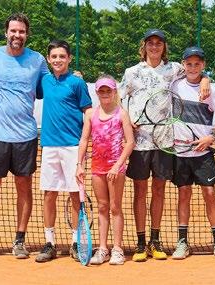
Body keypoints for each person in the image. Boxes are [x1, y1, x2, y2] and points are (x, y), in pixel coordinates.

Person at [118, 28, 210, 262]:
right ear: (145, 46)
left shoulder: (174, 70)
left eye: (159, 43)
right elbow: (119, 101)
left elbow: (196, 71)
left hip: (164, 142)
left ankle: (155, 240)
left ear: (164, 47)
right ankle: (140, 242)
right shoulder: (132, 72)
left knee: (159, 191)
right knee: (140, 191)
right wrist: (128, 121)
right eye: (151, 42)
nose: (155, 46)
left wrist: (207, 78)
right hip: (139, 144)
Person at [0, 13, 49, 261]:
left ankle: (20, 240)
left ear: (27, 34)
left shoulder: (38, 60)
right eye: (13, 31)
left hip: (25, 136)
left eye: (22, 31)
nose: (17, 35)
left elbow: (50, 86)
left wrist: (74, 77)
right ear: (6, 32)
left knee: (24, 187)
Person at [169, 47, 215, 261]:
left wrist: (211, 137)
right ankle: (182, 242)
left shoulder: (212, 92)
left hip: (203, 154)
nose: (193, 67)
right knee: (183, 195)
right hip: (180, 152)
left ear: (203, 65)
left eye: (197, 64)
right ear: (183, 64)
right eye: (189, 63)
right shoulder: (174, 85)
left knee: (210, 195)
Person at [35, 40, 92, 263]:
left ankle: (76, 242)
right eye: (54, 56)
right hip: (49, 146)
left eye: (62, 56)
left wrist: (85, 144)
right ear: (49, 60)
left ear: (69, 59)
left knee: (75, 195)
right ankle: (49, 243)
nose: (58, 60)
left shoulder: (78, 83)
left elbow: (88, 113)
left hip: (72, 147)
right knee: (49, 194)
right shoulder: (45, 81)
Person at [76, 75, 135, 265]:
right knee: (102, 207)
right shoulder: (91, 114)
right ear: (97, 92)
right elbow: (84, 140)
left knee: (115, 207)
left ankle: (117, 249)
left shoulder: (122, 113)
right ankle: (103, 249)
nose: (105, 93)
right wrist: (80, 164)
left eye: (108, 90)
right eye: (101, 90)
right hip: (97, 167)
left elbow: (130, 142)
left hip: (116, 168)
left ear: (114, 92)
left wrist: (117, 165)